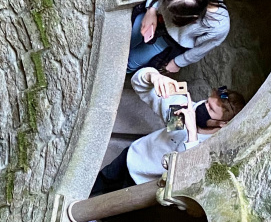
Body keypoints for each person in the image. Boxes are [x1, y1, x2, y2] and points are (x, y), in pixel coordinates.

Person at [91, 67, 245, 197]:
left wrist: (192, 134)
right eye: (207, 102)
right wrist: (153, 76)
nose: (202, 108)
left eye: (211, 110)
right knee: (101, 180)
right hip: (133, 156)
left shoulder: (213, 149)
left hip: (144, 184)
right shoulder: (182, 110)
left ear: (224, 124)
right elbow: (139, 84)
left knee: (113, 205)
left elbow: (187, 176)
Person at [127, 0, 228, 75]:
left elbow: (201, 49)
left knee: (131, 63)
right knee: (125, 41)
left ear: (192, 17)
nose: (166, 9)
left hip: (169, 39)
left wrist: (178, 62)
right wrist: (151, 10)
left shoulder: (218, 27)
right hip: (155, 17)